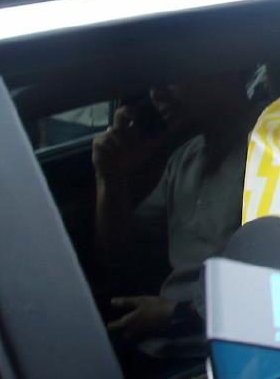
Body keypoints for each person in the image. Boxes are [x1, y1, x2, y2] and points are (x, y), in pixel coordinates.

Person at [93, 71, 259, 344]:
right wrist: (110, 180)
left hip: (221, 348)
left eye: (171, 74)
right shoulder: (184, 159)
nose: (155, 94)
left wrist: (179, 314)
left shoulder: (279, 157)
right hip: (167, 343)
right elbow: (119, 261)